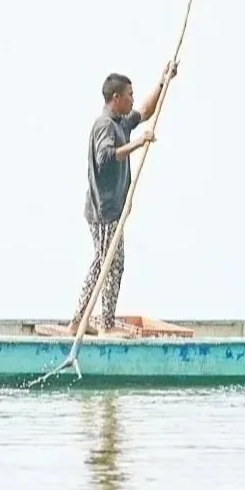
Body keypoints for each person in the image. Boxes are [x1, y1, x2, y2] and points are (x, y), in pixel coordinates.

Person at [72, 61, 177, 333]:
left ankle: (91, 321)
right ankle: (88, 323)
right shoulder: (105, 125)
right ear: (116, 97)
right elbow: (106, 157)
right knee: (106, 264)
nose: (132, 99)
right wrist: (138, 143)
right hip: (103, 210)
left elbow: (146, 111)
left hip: (114, 210)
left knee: (109, 264)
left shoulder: (121, 123)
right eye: (129, 95)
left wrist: (163, 81)